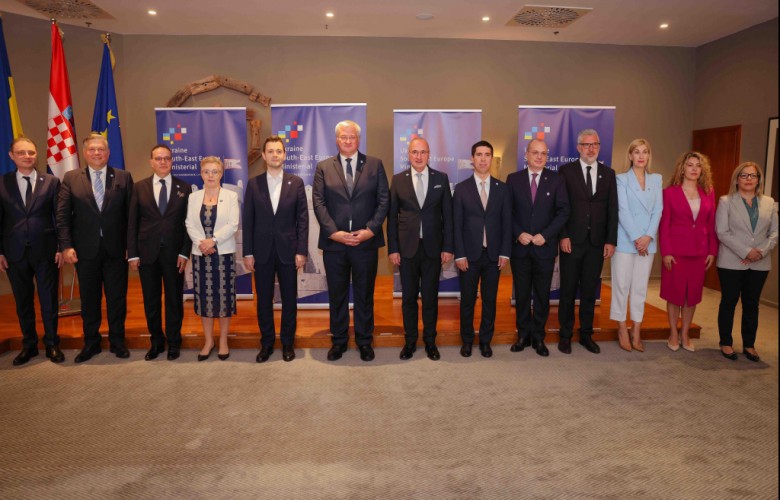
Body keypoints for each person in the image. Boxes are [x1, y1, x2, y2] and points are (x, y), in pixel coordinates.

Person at [312, 120, 389, 362]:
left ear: (358, 139)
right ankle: (339, 341)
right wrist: (333, 232)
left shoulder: (375, 165)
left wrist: (370, 230)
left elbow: (383, 201)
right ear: (337, 140)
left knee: (365, 294)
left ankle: (365, 341)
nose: (347, 141)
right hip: (335, 244)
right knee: (338, 295)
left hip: (365, 243)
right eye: (343, 137)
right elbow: (318, 202)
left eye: (352, 137)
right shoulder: (324, 167)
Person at [57, 132, 134, 362]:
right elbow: (63, 216)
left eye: (101, 149)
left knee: (117, 299)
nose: (97, 153)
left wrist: (131, 246)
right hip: (84, 251)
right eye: (92, 149)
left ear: (108, 153)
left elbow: (131, 216)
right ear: (84, 153)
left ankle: (117, 342)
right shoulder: (71, 178)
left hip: (116, 250)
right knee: (90, 300)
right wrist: (66, 246)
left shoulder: (123, 177)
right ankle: (91, 343)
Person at [387, 137, 454, 361]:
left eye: (423, 152)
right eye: (414, 152)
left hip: (433, 250)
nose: (418, 156)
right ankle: (410, 342)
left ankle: (430, 342)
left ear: (429, 154)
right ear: (408, 155)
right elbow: (392, 218)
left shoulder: (441, 179)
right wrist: (393, 249)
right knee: (408, 299)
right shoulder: (398, 180)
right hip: (406, 250)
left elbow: (448, 216)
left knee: (430, 298)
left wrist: (448, 247)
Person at [243, 136, 308, 363]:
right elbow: (248, 220)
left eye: (279, 151)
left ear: (285, 155)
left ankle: (288, 343)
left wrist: (301, 251)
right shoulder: (254, 184)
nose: (275, 155)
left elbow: (303, 220)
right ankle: (267, 343)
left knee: (289, 299)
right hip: (261, 252)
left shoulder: (296, 183)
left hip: (289, 251)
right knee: (263, 300)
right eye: (270, 151)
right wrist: (248, 252)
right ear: (263, 155)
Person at [0, 138, 64, 365]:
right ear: (12, 156)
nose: (27, 156)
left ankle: (52, 343)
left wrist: (61, 247)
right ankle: (29, 345)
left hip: (46, 251)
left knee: (49, 300)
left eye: (31, 152)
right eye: (21, 153)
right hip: (14, 252)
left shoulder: (51, 182)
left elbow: (60, 217)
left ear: (36, 154)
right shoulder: (3, 183)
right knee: (23, 301)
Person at [127, 144, 191, 361]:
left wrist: (185, 253)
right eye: (158, 158)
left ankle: (174, 342)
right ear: (151, 162)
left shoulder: (185, 188)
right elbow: (132, 223)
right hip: (147, 254)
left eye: (167, 158)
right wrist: (133, 254)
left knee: (174, 300)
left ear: (172, 161)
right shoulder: (139, 188)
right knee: (151, 300)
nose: (163, 162)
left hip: (175, 255)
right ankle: (156, 342)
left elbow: (188, 224)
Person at [506, 139, 569, 357]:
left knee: (542, 295)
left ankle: (539, 337)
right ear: (526, 154)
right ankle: (523, 335)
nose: (540, 157)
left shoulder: (557, 180)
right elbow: (507, 212)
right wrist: (518, 233)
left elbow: (563, 211)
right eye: (535, 152)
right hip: (521, 248)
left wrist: (546, 235)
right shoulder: (513, 179)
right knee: (522, 294)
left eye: (543, 153)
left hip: (545, 248)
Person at [557, 129, 618, 354]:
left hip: (596, 243)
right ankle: (565, 335)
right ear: (578, 147)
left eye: (595, 145)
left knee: (590, 292)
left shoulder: (608, 174)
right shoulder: (566, 171)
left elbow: (613, 209)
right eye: (586, 145)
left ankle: (586, 335)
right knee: (568, 291)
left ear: (599, 147)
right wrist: (563, 235)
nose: (591, 149)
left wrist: (611, 240)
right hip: (571, 242)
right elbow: (560, 207)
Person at [453, 140, 511, 358]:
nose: (483, 159)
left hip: (494, 256)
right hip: (469, 256)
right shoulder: (461, 189)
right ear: (472, 159)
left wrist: (505, 251)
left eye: (487, 155)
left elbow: (507, 222)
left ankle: (486, 341)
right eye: (479, 155)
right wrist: (459, 254)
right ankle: (467, 340)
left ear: (491, 158)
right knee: (467, 300)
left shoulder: (502, 188)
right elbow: (456, 224)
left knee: (490, 300)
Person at [715, 162, 778, 362]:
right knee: (729, 301)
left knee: (752, 304)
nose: (749, 179)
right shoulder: (726, 201)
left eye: (753, 175)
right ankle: (726, 342)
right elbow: (722, 232)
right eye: (744, 175)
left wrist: (761, 252)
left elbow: (775, 232)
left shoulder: (769, 202)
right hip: (731, 261)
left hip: (760, 262)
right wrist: (746, 251)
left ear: (759, 180)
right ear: (737, 179)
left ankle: (749, 345)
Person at [659, 151, 717, 352]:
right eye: (690, 165)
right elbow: (664, 225)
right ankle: (673, 333)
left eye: (698, 165)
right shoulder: (669, 193)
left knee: (692, 296)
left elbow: (711, 224)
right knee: (674, 295)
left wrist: (712, 250)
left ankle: (685, 333)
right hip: (675, 252)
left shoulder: (708, 192)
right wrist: (666, 252)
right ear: (682, 168)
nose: (694, 169)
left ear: (702, 170)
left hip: (699, 252)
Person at [611, 139, 663, 352]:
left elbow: (658, 210)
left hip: (647, 243)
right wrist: (637, 238)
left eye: (645, 152)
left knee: (640, 288)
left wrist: (648, 237)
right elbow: (622, 211)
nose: (641, 156)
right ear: (630, 156)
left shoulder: (656, 179)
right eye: (637, 152)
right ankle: (622, 328)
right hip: (626, 240)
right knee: (621, 286)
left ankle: (637, 329)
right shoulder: (621, 179)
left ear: (649, 156)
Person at [185, 157, 239, 361]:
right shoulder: (193, 197)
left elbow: (233, 224)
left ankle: (223, 340)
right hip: (201, 255)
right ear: (201, 174)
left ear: (221, 174)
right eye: (206, 171)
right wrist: (202, 243)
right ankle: (208, 341)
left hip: (223, 254)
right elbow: (189, 223)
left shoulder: (231, 196)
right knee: (204, 299)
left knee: (224, 299)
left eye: (215, 171)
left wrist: (213, 241)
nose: (210, 175)